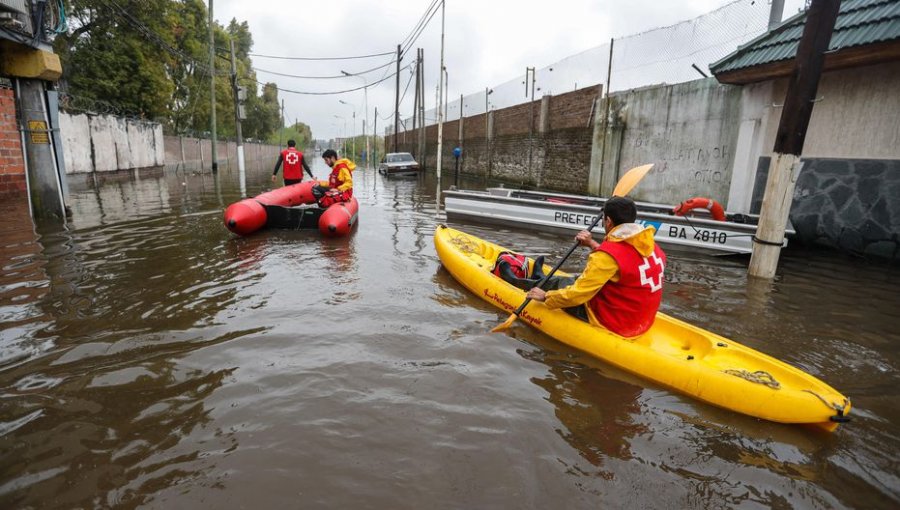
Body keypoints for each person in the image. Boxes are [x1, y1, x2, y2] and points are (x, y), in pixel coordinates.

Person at [518, 196, 667, 337]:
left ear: (608, 221)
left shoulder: (606, 256)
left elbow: (578, 295)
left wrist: (545, 297)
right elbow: (624, 261)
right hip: (640, 320)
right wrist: (592, 244)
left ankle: (519, 281)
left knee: (565, 283)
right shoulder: (651, 245)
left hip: (615, 322)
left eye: (604, 220)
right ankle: (539, 277)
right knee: (572, 280)